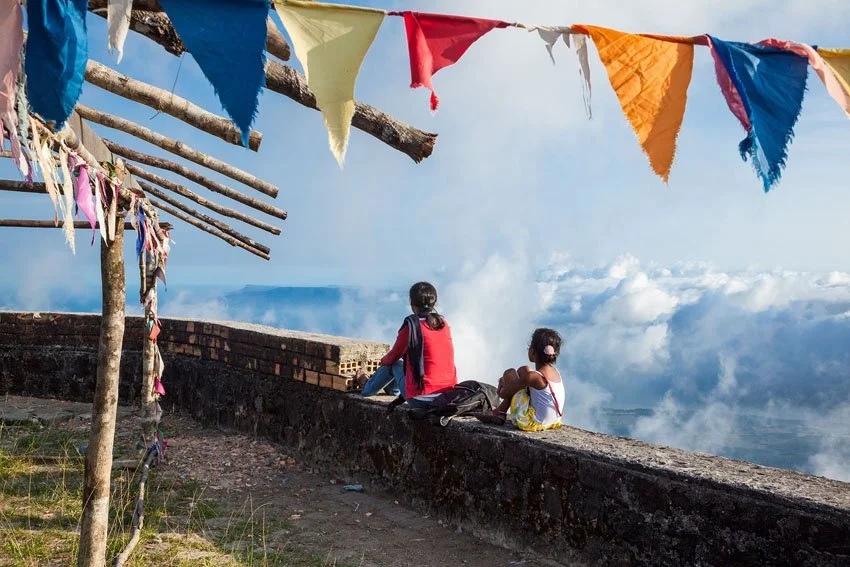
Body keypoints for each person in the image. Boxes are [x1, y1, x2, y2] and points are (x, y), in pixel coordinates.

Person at [358, 282, 457, 408]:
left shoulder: (412, 326)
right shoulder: (443, 324)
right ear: (434, 302)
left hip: (421, 399)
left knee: (394, 364)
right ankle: (393, 391)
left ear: (412, 304)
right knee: (400, 365)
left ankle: (367, 388)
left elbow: (393, 356)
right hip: (447, 396)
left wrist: (382, 361)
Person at [487, 328, 565, 431]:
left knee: (510, 373)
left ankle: (499, 412)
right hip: (553, 421)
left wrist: (502, 383)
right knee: (524, 369)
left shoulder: (533, 377)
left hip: (532, 422)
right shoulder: (554, 371)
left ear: (532, 351)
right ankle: (500, 412)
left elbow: (504, 394)